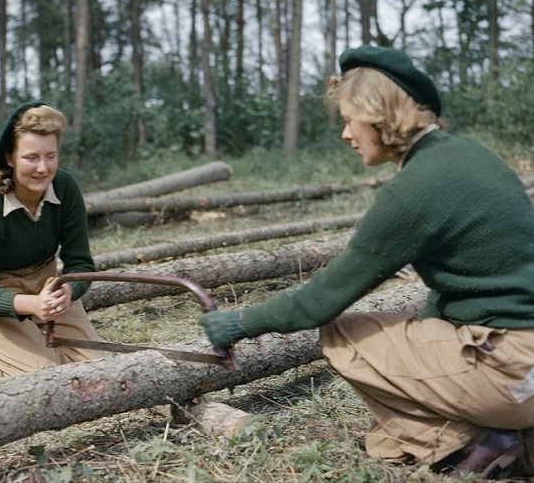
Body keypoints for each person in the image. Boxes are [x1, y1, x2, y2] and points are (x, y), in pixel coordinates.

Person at [199, 45, 534, 479]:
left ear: (379, 115)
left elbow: (322, 300)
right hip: (523, 357)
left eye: (348, 120)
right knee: (407, 368)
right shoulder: (470, 155)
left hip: (515, 369)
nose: (345, 135)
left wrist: (242, 322)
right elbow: (463, 282)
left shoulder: (414, 189)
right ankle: (505, 434)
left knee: (347, 334)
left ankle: (467, 447)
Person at [0, 100, 106, 378]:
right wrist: (35, 306)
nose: (43, 168)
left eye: (51, 156)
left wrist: (67, 292)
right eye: (31, 157)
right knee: (41, 376)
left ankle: (26, 335)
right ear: (9, 158)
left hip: (44, 277)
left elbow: (80, 262)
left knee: (99, 365)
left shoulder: (66, 187)